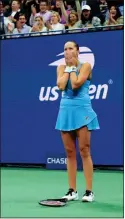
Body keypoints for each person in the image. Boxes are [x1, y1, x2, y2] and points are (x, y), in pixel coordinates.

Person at [55, 41, 100, 202]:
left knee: (84, 150)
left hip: (83, 112)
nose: (67, 52)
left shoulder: (86, 66)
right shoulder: (60, 68)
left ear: (78, 51)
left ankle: (89, 191)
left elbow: (75, 84)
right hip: (66, 112)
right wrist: (68, 68)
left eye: (71, 48)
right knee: (69, 152)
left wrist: (73, 67)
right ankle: (72, 190)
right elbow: (61, 86)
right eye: (65, 49)